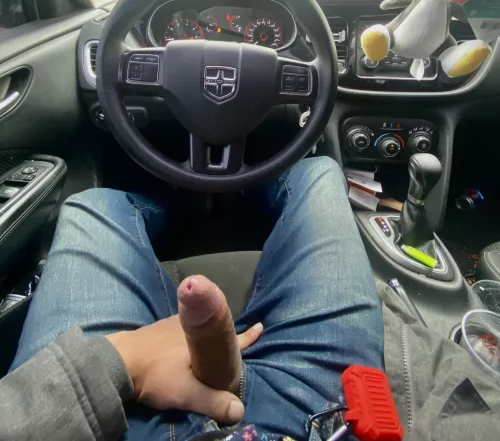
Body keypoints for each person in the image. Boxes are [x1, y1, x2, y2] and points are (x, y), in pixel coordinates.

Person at [0, 157, 384, 440]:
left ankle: (184, 197)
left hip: (109, 423)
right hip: (326, 421)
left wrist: (119, 360)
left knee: (93, 207)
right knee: (319, 172)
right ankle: (239, 188)